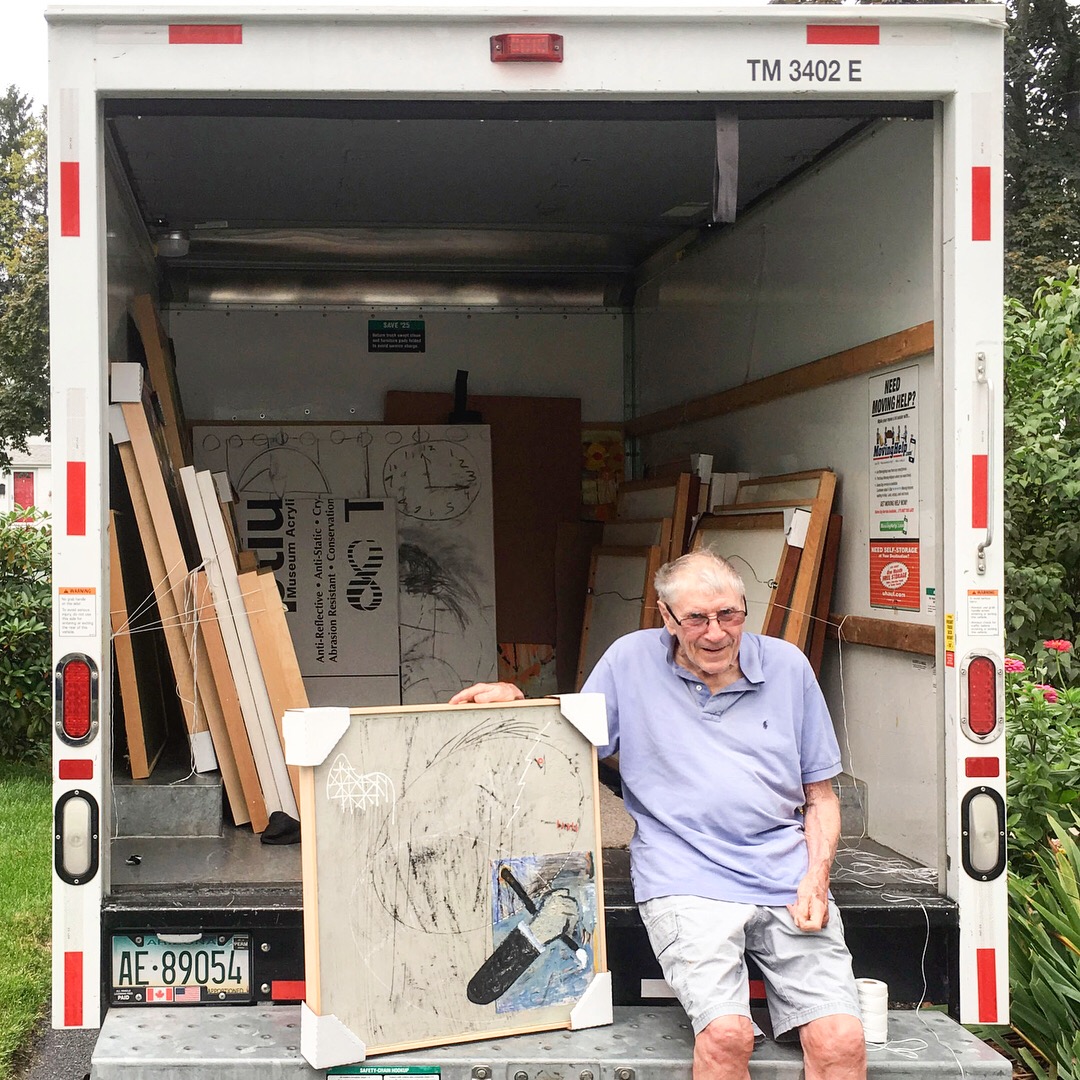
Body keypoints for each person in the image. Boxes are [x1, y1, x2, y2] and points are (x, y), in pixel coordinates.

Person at [451, 549, 866, 1080]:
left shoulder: (788, 666)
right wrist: (517, 702)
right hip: (686, 875)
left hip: (787, 876)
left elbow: (821, 797)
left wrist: (816, 876)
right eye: (696, 618)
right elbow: (567, 745)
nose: (716, 633)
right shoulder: (630, 661)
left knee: (841, 1040)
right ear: (666, 618)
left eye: (730, 616)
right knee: (727, 1036)